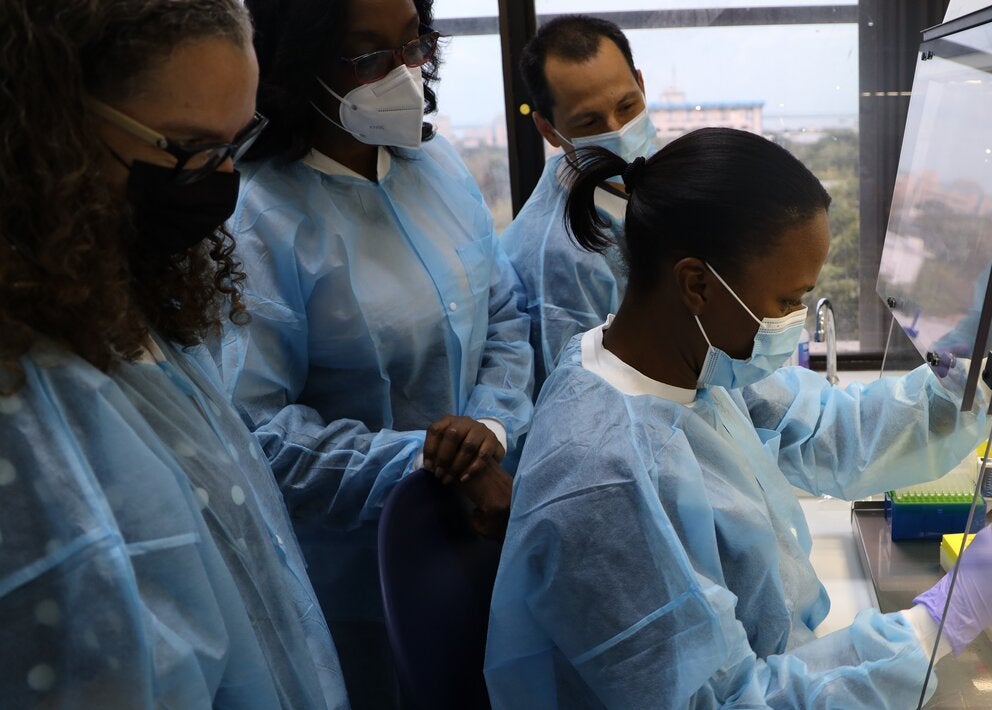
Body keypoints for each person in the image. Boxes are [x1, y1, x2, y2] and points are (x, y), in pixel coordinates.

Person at [483, 128, 992, 707]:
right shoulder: (602, 484)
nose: (793, 318)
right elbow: (728, 703)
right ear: (697, 285)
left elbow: (832, 431)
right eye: (786, 300)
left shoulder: (677, 364)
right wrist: (944, 617)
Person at [0, 0, 346, 707]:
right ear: (51, 127)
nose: (216, 181)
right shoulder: (25, 394)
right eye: (186, 150)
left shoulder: (123, 291)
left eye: (231, 148)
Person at [222, 0, 533, 705]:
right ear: (295, 66)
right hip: (354, 575)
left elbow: (505, 315)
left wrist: (487, 432)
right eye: (366, 58)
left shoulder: (437, 164)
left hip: (486, 519)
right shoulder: (258, 218)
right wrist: (429, 461)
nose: (401, 75)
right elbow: (258, 432)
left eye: (413, 45)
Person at [501, 16, 657, 396]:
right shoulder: (558, 258)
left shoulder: (642, 178)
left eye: (627, 106)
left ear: (641, 84)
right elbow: (588, 405)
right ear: (548, 130)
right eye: (589, 122)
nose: (618, 128)